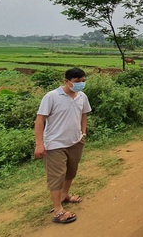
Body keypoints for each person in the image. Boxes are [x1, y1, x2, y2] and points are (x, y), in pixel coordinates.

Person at [34, 67, 91, 224]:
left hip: (75, 141)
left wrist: (83, 133)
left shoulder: (82, 97)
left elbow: (84, 114)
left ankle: (65, 195)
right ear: (66, 81)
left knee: (71, 171)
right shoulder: (51, 97)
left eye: (83, 81)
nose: (81, 84)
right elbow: (40, 120)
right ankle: (58, 210)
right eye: (77, 81)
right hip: (55, 144)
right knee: (57, 176)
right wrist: (39, 144)